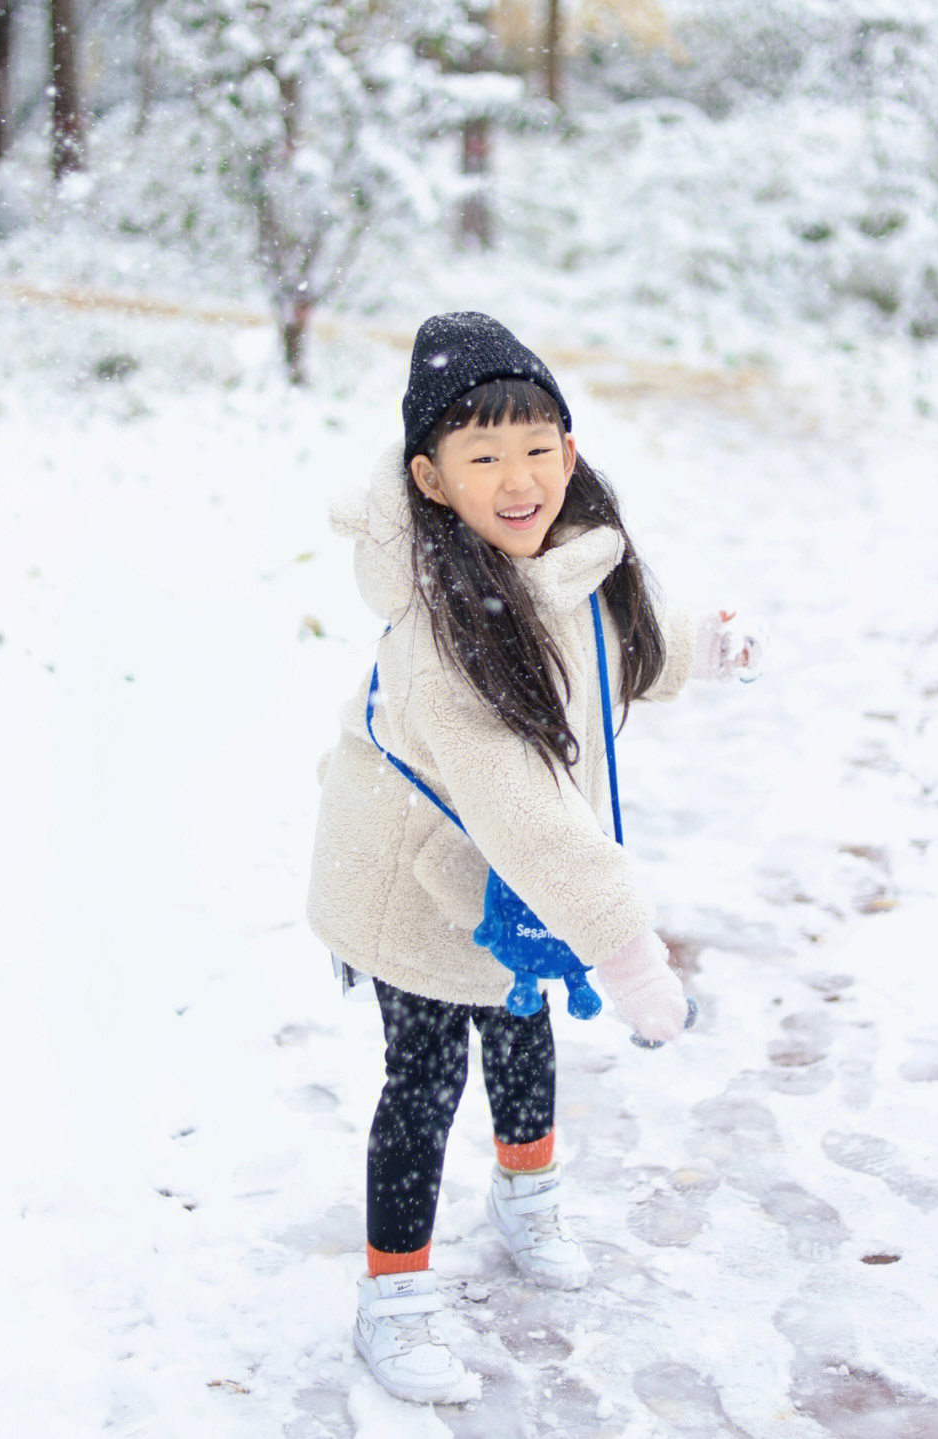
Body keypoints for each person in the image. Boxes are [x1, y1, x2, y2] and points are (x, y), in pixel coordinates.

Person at [307, 312, 762, 1404]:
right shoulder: (441, 640)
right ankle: (396, 1292)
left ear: (570, 448)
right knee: (424, 1078)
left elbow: (619, 645)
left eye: (538, 447)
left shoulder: (570, 562)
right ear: (430, 478)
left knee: (522, 1031)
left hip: (512, 888)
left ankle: (526, 1190)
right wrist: (629, 953)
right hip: (413, 884)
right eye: (483, 456)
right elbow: (533, 821)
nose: (519, 479)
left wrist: (701, 642)